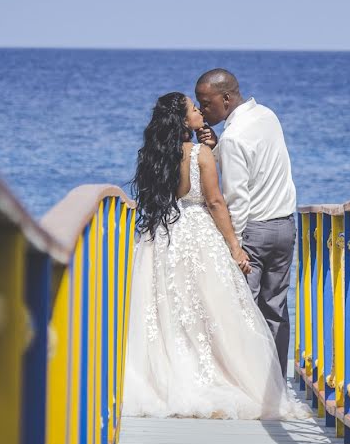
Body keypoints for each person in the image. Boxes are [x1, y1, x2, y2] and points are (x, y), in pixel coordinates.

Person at [123, 92, 307, 419]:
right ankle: (225, 377)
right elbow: (216, 203)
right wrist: (235, 246)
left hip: (162, 234)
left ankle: (170, 379)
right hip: (197, 234)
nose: (200, 113)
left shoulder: (151, 156)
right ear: (183, 122)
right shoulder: (199, 155)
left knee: (169, 312)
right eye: (194, 110)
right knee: (211, 309)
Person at [195, 69, 297, 379]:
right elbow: (258, 167)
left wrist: (233, 246)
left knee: (243, 309)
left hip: (254, 231)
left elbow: (237, 198)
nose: (201, 110)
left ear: (225, 98)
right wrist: (218, 147)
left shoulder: (235, 137)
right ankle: (276, 381)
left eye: (206, 102)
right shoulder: (267, 116)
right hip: (285, 226)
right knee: (275, 309)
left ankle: (247, 382)